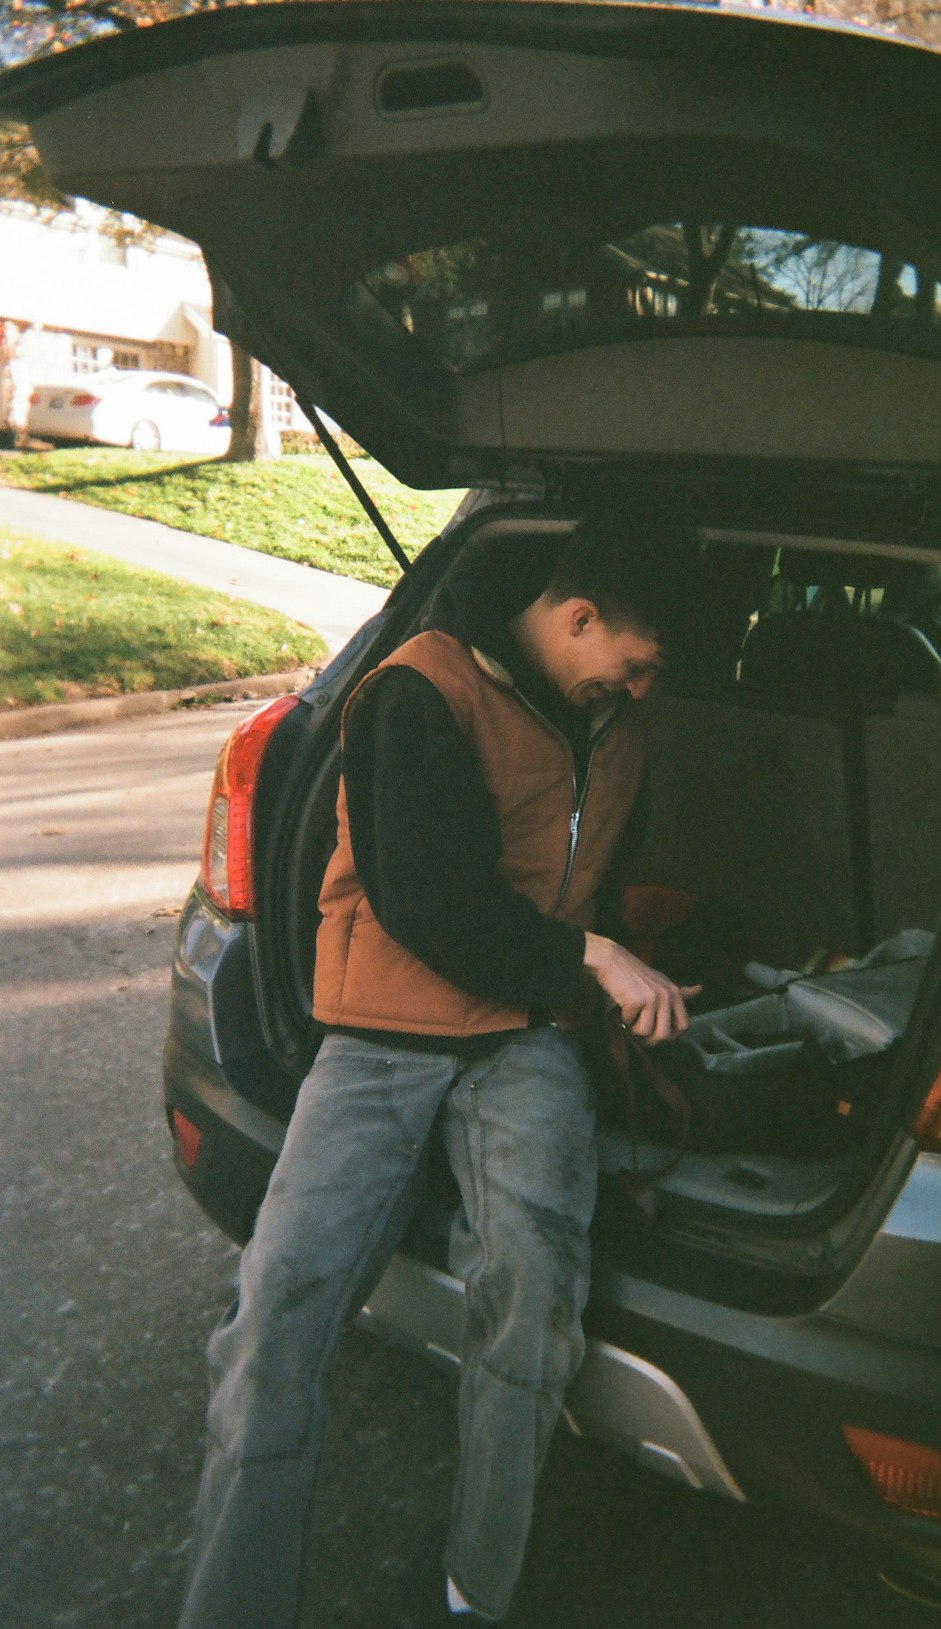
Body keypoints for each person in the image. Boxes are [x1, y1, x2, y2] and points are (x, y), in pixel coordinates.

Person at [177, 514, 701, 1629]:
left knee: (533, 1298)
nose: (642, 689)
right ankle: (234, 1606)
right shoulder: (420, 689)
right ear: (578, 618)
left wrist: (614, 962)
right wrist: (594, 958)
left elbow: (594, 885)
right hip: (385, 1030)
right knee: (277, 1319)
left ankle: (476, 1591)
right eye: (636, 663)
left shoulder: (615, 732)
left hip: (525, 1038)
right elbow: (430, 903)